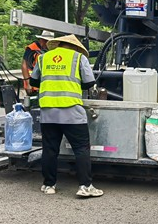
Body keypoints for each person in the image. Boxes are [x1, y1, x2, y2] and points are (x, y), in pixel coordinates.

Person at [30, 34, 103, 198]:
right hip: (71, 111)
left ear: (59, 45)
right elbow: (89, 82)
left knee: (49, 149)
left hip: (48, 112)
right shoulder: (78, 58)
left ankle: (49, 185)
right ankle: (85, 186)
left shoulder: (43, 58)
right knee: (81, 148)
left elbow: (34, 81)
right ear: (75, 46)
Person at [21, 30, 54, 95]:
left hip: (43, 84)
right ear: (41, 40)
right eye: (46, 41)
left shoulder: (49, 50)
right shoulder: (32, 48)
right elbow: (24, 65)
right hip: (32, 84)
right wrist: (28, 84)